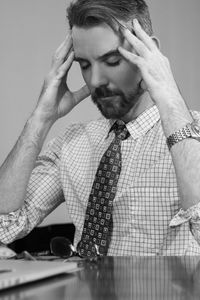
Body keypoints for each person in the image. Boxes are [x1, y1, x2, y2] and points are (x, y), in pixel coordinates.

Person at [0, 0, 200, 256]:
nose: (95, 80)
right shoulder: (72, 143)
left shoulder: (192, 137)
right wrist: (40, 118)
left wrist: (170, 98)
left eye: (112, 60)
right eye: (84, 65)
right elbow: (5, 225)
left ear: (149, 54)